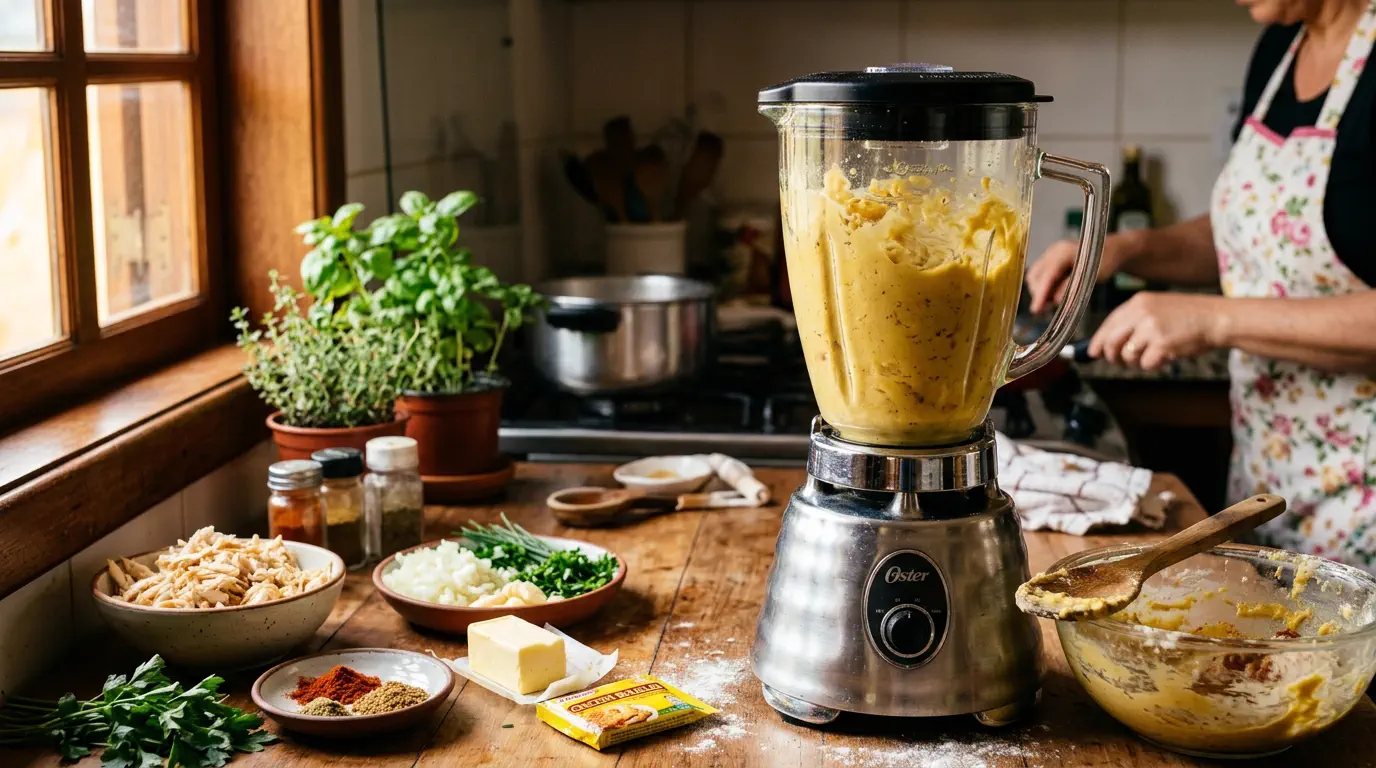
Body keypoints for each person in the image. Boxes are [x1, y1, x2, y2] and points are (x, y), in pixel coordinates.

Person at [1026, 0, 1376, 569]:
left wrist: (1214, 320)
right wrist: (1125, 250)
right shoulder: (1280, 49)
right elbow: (1259, 233)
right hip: (1272, 485)